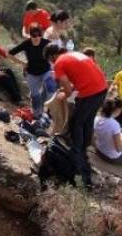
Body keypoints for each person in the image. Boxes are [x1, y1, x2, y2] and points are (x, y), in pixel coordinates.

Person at [45, 44, 108, 188]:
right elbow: (83, 76)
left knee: (76, 123)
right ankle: (84, 147)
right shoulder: (75, 54)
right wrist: (71, 90)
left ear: (52, 56)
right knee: (87, 120)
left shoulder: (59, 63)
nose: (51, 63)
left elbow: (67, 88)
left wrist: (64, 94)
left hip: (90, 93)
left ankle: (77, 153)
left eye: (50, 60)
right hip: (102, 90)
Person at [7, 26, 57, 117]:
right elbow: (9, 54)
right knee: (35, 95)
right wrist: (22, 63)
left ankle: (49, 111)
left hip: (46, 70)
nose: (37, 37)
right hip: (32, 72)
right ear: (30, 36)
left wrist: (54, 68)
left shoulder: (46, 43)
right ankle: (37, 113)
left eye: (39, 35)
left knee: (51, 88)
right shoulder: (26, 43)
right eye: (34, 35)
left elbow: (57, 54)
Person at [93, 98, 122, 166]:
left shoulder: (96, 119)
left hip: (99, 151)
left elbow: (92, 139)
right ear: (117, 110)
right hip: (112, 158)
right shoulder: (115, 125)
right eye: (120, 110)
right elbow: (118, 149)